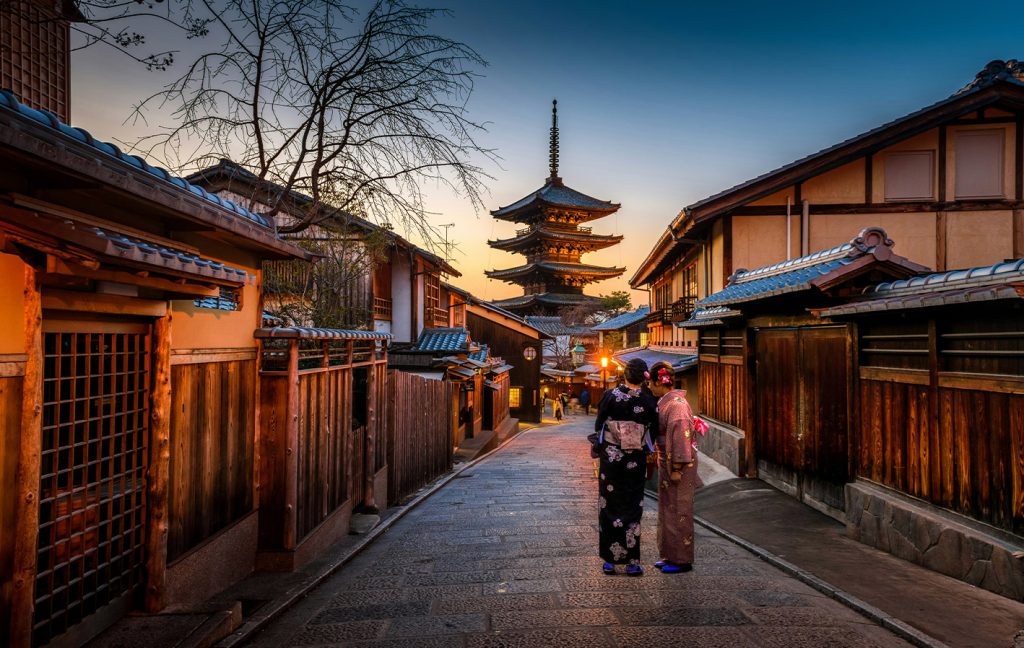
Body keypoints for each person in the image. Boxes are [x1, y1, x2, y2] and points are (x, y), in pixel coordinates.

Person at [592, 358, 658, 576]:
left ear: (625, 375)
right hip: (635, 460)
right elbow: (653, 431)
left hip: (611, 460)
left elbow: (599, 425)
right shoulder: (649, 400)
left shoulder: (610, 396)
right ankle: (632, 561)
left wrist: (602, 446)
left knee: (609, 505)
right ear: (644, 377)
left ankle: (610, 560)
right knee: (632, 507)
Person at [647, 361, 703, 574]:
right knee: (667, 508)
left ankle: (681, 559)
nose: (649, 387)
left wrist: (678, 467)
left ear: (658, 382)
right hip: (667, 460)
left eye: (651, 383)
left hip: (678, 463)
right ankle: (669, 554)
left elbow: (680, 438)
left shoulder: (677, 405)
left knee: (679, 510)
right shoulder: (667, 402)